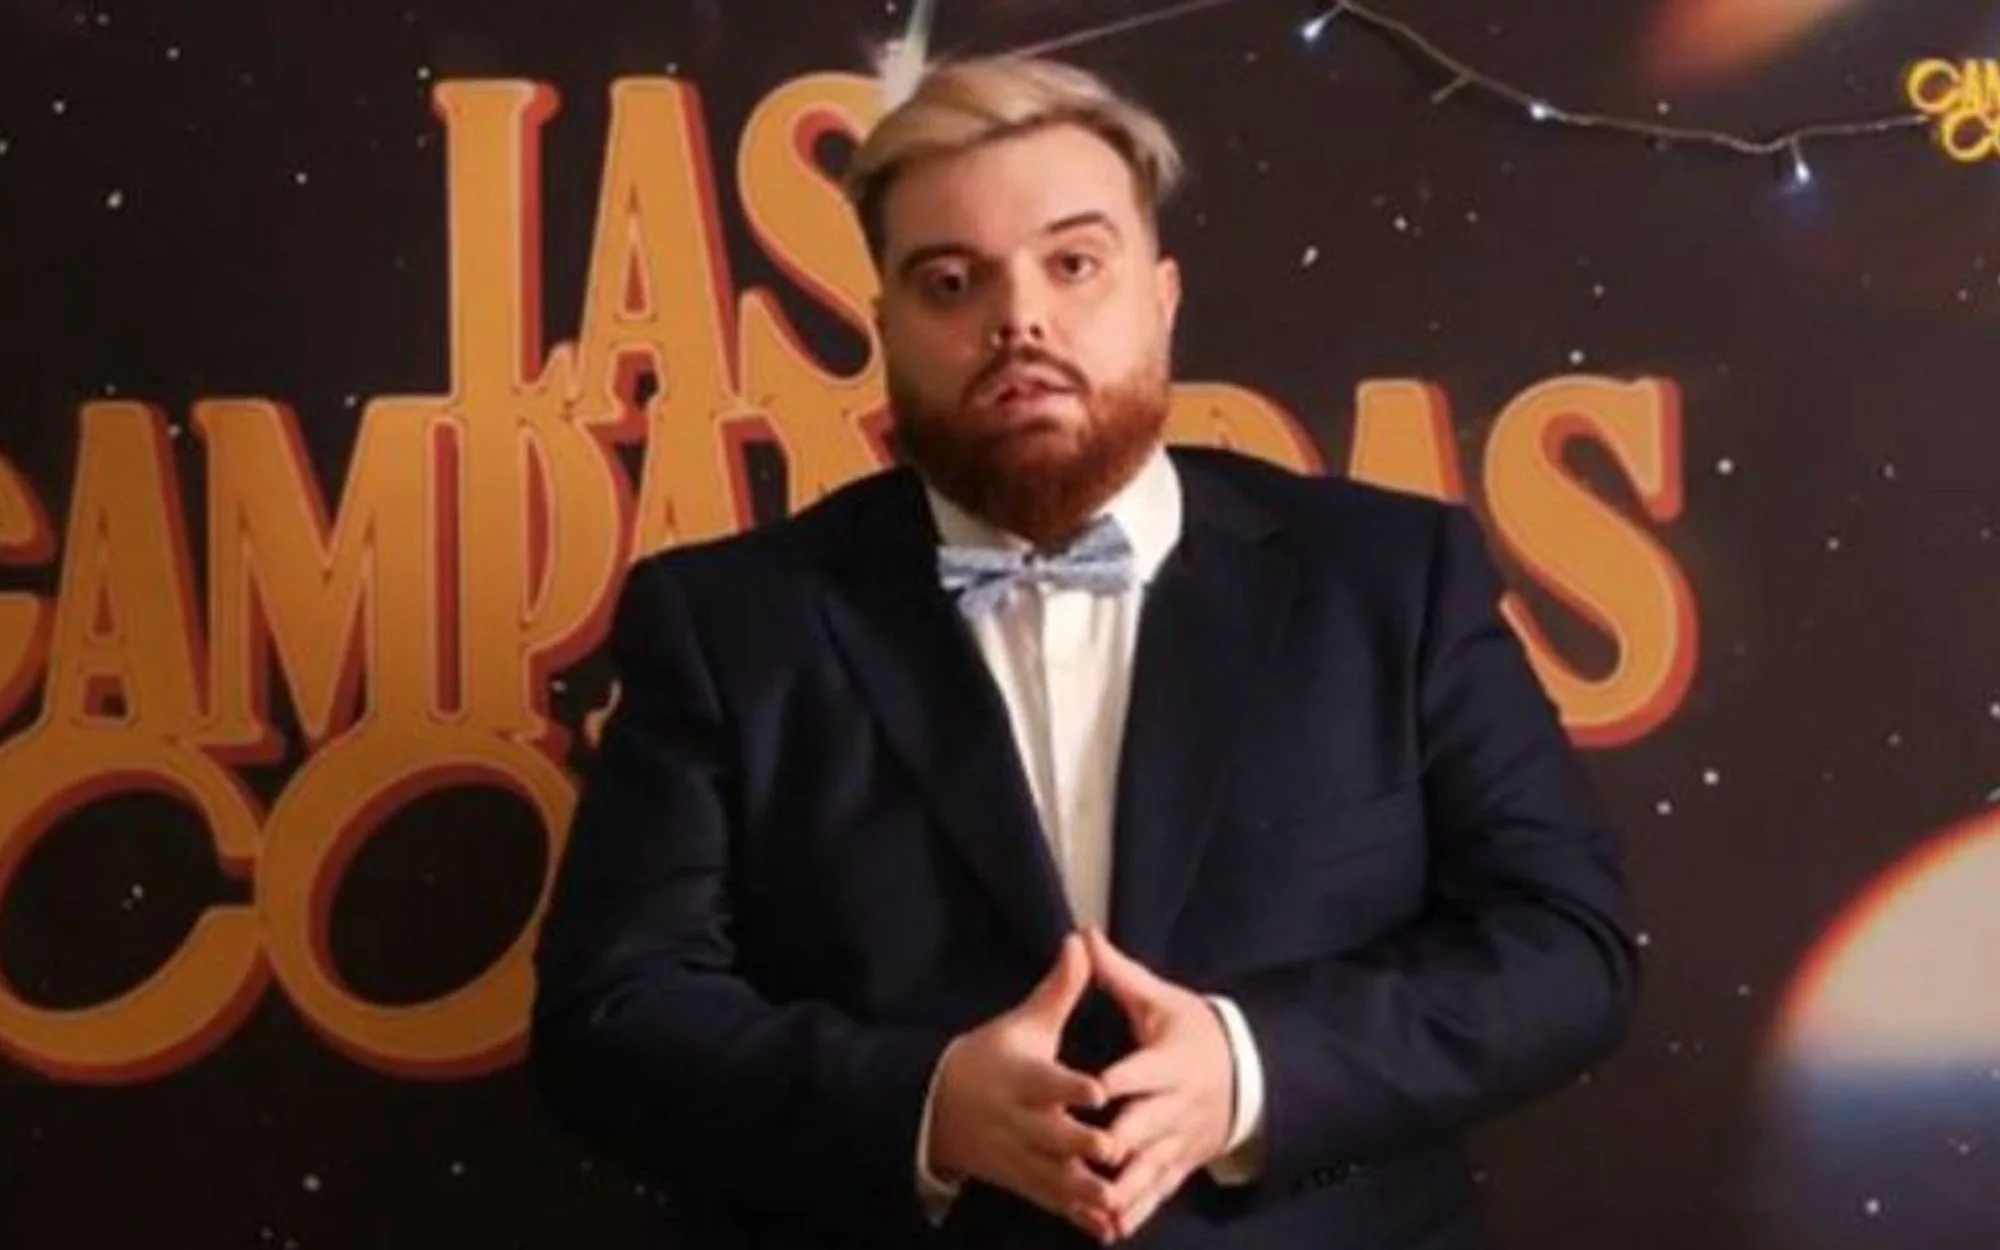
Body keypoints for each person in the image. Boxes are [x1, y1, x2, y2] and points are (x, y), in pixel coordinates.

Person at [529, 54, 1637, 1250]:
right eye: (950, 281)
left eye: (1072, 263)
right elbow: (610, 1018)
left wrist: (1251, 1067)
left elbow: (1564, 945)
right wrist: (923, 1106)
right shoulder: (723, 622)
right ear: (885, 328)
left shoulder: (1391, 577)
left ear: (1160, 296)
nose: (1018, 320)